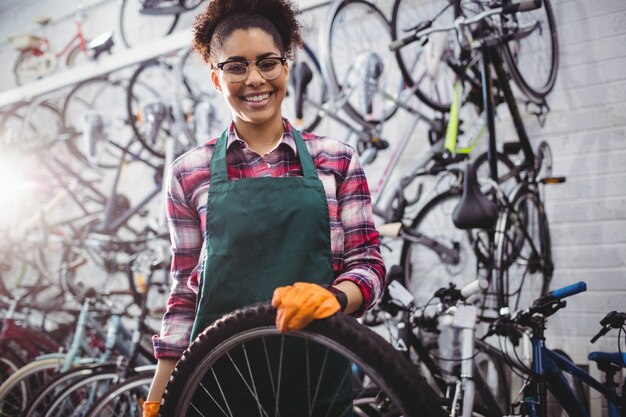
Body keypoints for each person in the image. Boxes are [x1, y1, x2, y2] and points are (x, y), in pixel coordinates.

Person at [143, 0, 385, 415]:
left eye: (267, 62)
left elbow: (369, 265)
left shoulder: (337, 160)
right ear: (217, 78)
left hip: (315, 382)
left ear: (286, 67)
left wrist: (334, 297)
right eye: (236, 66)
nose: (255, 79)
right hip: (217, 386)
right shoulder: (188, 173)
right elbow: (185, 292)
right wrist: (157, 396)